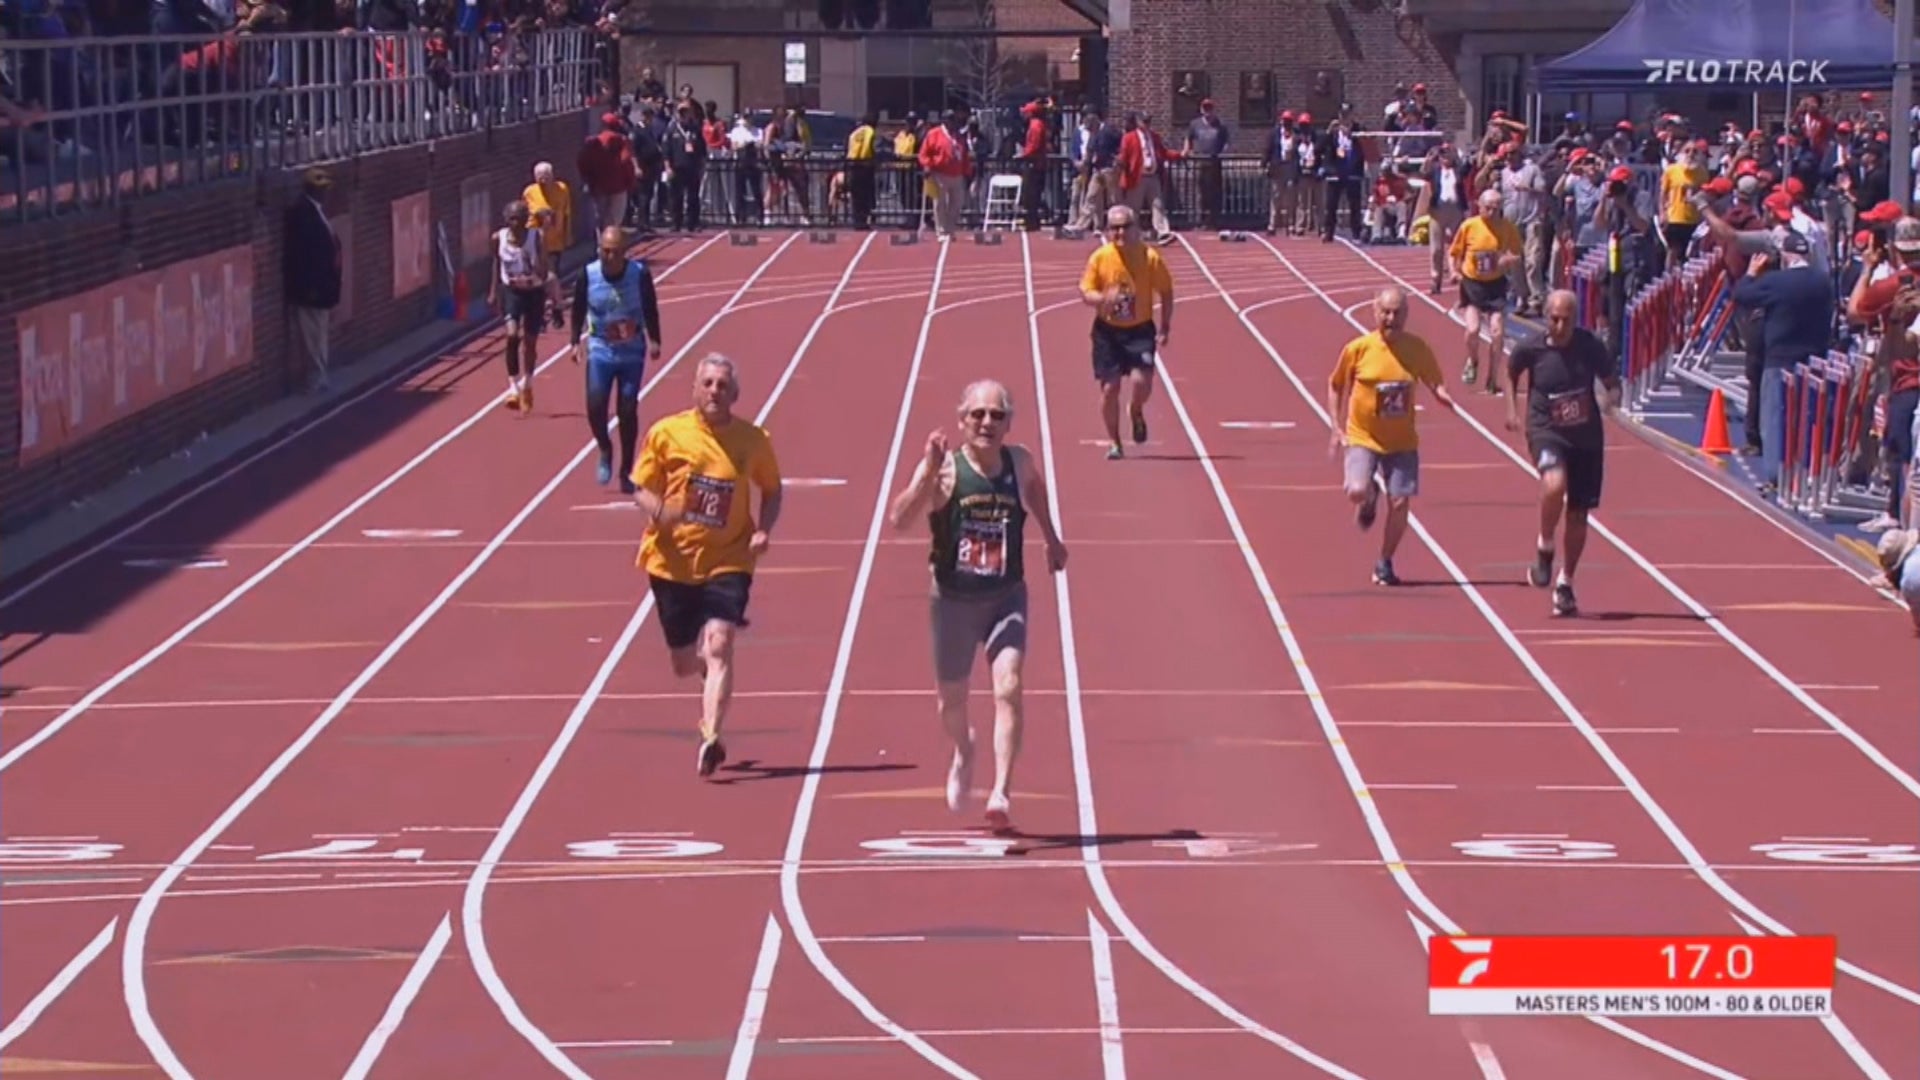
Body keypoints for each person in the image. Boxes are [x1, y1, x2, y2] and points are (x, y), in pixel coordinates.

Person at [886, 380, 1067, 833]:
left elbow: (1036, 491)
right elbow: (900, 520)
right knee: (951, 701)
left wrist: (1051, 537)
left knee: (1008, 687)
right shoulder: (944, 470)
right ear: (962, 420)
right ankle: (964, 749)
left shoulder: (1018, 461)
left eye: (997, 415)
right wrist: (927, 474)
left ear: (1008, 423)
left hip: (1006, 595)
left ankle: (1001, 791)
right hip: (952, 602)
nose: (987, 423)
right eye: (978, 415)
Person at [630, 355, 783, 777]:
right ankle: (701, 673)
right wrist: (659, 509)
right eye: (708, 383)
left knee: (720, 642)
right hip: (671, 562)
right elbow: (639, 487)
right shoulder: (667, 433)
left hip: (729, 556)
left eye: (722, 385)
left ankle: (711, 736)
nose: (714, 391)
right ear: (695, 389)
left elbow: (772, 490)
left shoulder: (753, 440)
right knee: (684, 662)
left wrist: (764, 531)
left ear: (734, 395)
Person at [1327, 287, 1456, 586]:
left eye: (1397, 313)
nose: (1391, 318)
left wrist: (1442, 395)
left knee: (1399, 502)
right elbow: (1335, 385)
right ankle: (1370, 494)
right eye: (1386, 312)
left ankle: (1385, 561)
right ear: (1375, 312)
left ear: (1406, 315)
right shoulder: (1358, 348)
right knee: (1355, 491)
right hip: (1363, 436)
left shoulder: (1417, 348)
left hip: (1402, 441)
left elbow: (1433, 379)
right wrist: (1336, 426)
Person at [1505, 289, 1621, 617]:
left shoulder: (1589, 346)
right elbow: (1511, 372)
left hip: (1586, 439)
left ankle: (1566, 583)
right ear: (1546, 316)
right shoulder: (1532, 347)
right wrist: (1512, 409)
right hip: (1547, 430)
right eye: (1554, 319)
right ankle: (1544, 545)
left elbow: (1612, 381)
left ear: (1575, 318)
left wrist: (1611, 397)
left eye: (1566, 320)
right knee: (1554, 483)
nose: (1559, 325)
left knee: (1578, 515)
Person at [571, 226, 664, 491]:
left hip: (631, 350)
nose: (608, 257)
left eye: (614, 252)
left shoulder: (639, 274)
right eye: (604, 250)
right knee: (595, 404)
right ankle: (604, 447)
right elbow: (578, 307)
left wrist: (655, 339)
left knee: (627, 408)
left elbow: (650, 306)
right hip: (601, 347)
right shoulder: (588, 275)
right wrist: (573, 341)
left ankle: (626, 468)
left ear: (624, 253)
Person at [1080, 205, 1174, 460]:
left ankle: (1136, 409)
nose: (1120, 232)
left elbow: (1166, 291)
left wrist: (1165, 326)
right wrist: (1102, 299)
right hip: (1107, 332)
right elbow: (1085, 292)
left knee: (1141, 382)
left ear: (1136, 228)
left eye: (1125, 226)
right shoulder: (1100, 258)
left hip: (1140, 330)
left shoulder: (1149, 257)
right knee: (1109, 389)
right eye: (1115, 228)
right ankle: (1115, 442)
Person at [1447, 188, 1521, 393]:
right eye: (1488, 208)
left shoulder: (1507, 228)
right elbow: (1454, 253)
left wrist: (1507, 260)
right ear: (1479, 206)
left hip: (1496, 284)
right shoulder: (1469, 226)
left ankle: (1492, 378)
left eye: (1496, 209)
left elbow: (1517, 253)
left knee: (1497, 332)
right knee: (1473, 329)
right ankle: (1473, 360)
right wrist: (1454, 271)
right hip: (1472, 283)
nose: (1492, 212)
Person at [490, 200, 557, 412]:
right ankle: (513, 387)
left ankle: (527, 383)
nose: (515, 222)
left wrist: (536, 265)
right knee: (511, 335)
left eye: (519, 218)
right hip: (512, 291)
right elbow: (495, 262)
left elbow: (545, 271)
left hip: (534, 292)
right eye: (511, 218)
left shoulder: (536, 237)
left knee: (529, 342)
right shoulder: (497, 238)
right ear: (506, 220)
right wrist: (493, 291)